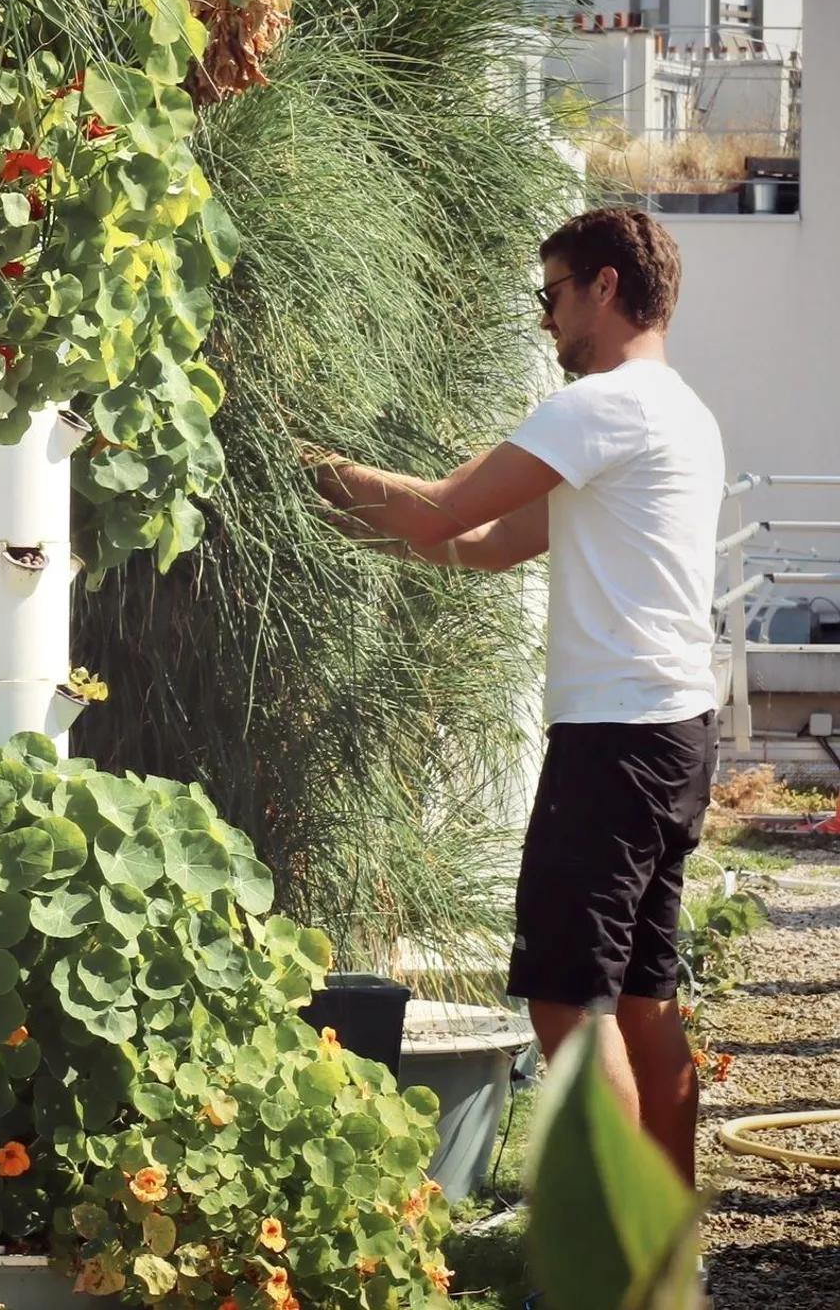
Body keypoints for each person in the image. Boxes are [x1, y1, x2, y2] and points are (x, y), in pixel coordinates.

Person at [307, 206, 723, 1187]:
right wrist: (350, 520)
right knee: (643, 999)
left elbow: (443, 508)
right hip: (675, 736)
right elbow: (487, 543)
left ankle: (613, 1250)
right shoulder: (681, 413)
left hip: (614, 742)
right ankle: (666, 1246)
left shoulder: (600, 406)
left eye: (554, 294)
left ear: (605, 286)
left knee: (567, 1003)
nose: (546, 319)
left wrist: (307, 467)